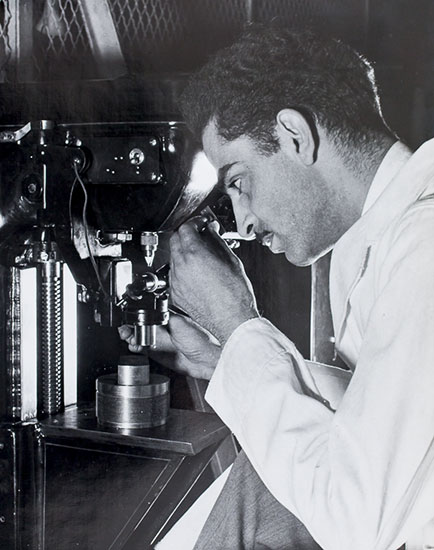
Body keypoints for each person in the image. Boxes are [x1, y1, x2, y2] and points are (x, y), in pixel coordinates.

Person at [120, 24, 434, 550]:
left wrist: (239, 325)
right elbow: (381, 419)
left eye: (239, 182)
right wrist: (225, 359)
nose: (241, 222)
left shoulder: (424, 240)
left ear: (295, 136)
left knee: (262, 492)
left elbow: (354, 517)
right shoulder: (380, 236)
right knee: (260, 488)